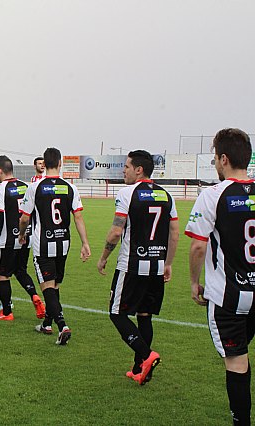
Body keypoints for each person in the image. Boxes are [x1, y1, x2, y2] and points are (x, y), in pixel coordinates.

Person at [186, 128, 255, 424]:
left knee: (236, 361)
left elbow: (198, 248)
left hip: (230, 297)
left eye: (215, 157)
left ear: (223, 159)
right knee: (242, 356)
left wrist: (193, 282)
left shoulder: (213, 195)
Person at [97, 150, 179, 384]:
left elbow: (115, 232)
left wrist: (103, 257)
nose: (124, 170)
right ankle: (139, 369)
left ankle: (146, 356)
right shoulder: (166, 195)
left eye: (127, 166)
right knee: (144, 316)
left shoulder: (127, 193)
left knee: (116, 313)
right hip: (156, 267)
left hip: (131, 266)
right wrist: (168, 263)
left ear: (139, 170)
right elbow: (174, 233)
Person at [19, 148, 90, 344]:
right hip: (64, 242)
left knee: (48, 288)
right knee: (55, 285)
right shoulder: (70, 187)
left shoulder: (35, 187)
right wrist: (85, 243)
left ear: (44, 165)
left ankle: (62, 325)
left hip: (43, 243)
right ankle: (47, 324)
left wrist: (22, 234)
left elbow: (25, 218)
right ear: (60, 163)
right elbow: (78, 217)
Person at [0, 155, 45, 321]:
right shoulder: (26, 186)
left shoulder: (0, 189)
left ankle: (6, 312)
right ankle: (34, 296)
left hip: (7, 240)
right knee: (20, 271)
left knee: (0, 275)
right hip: (25, 238)